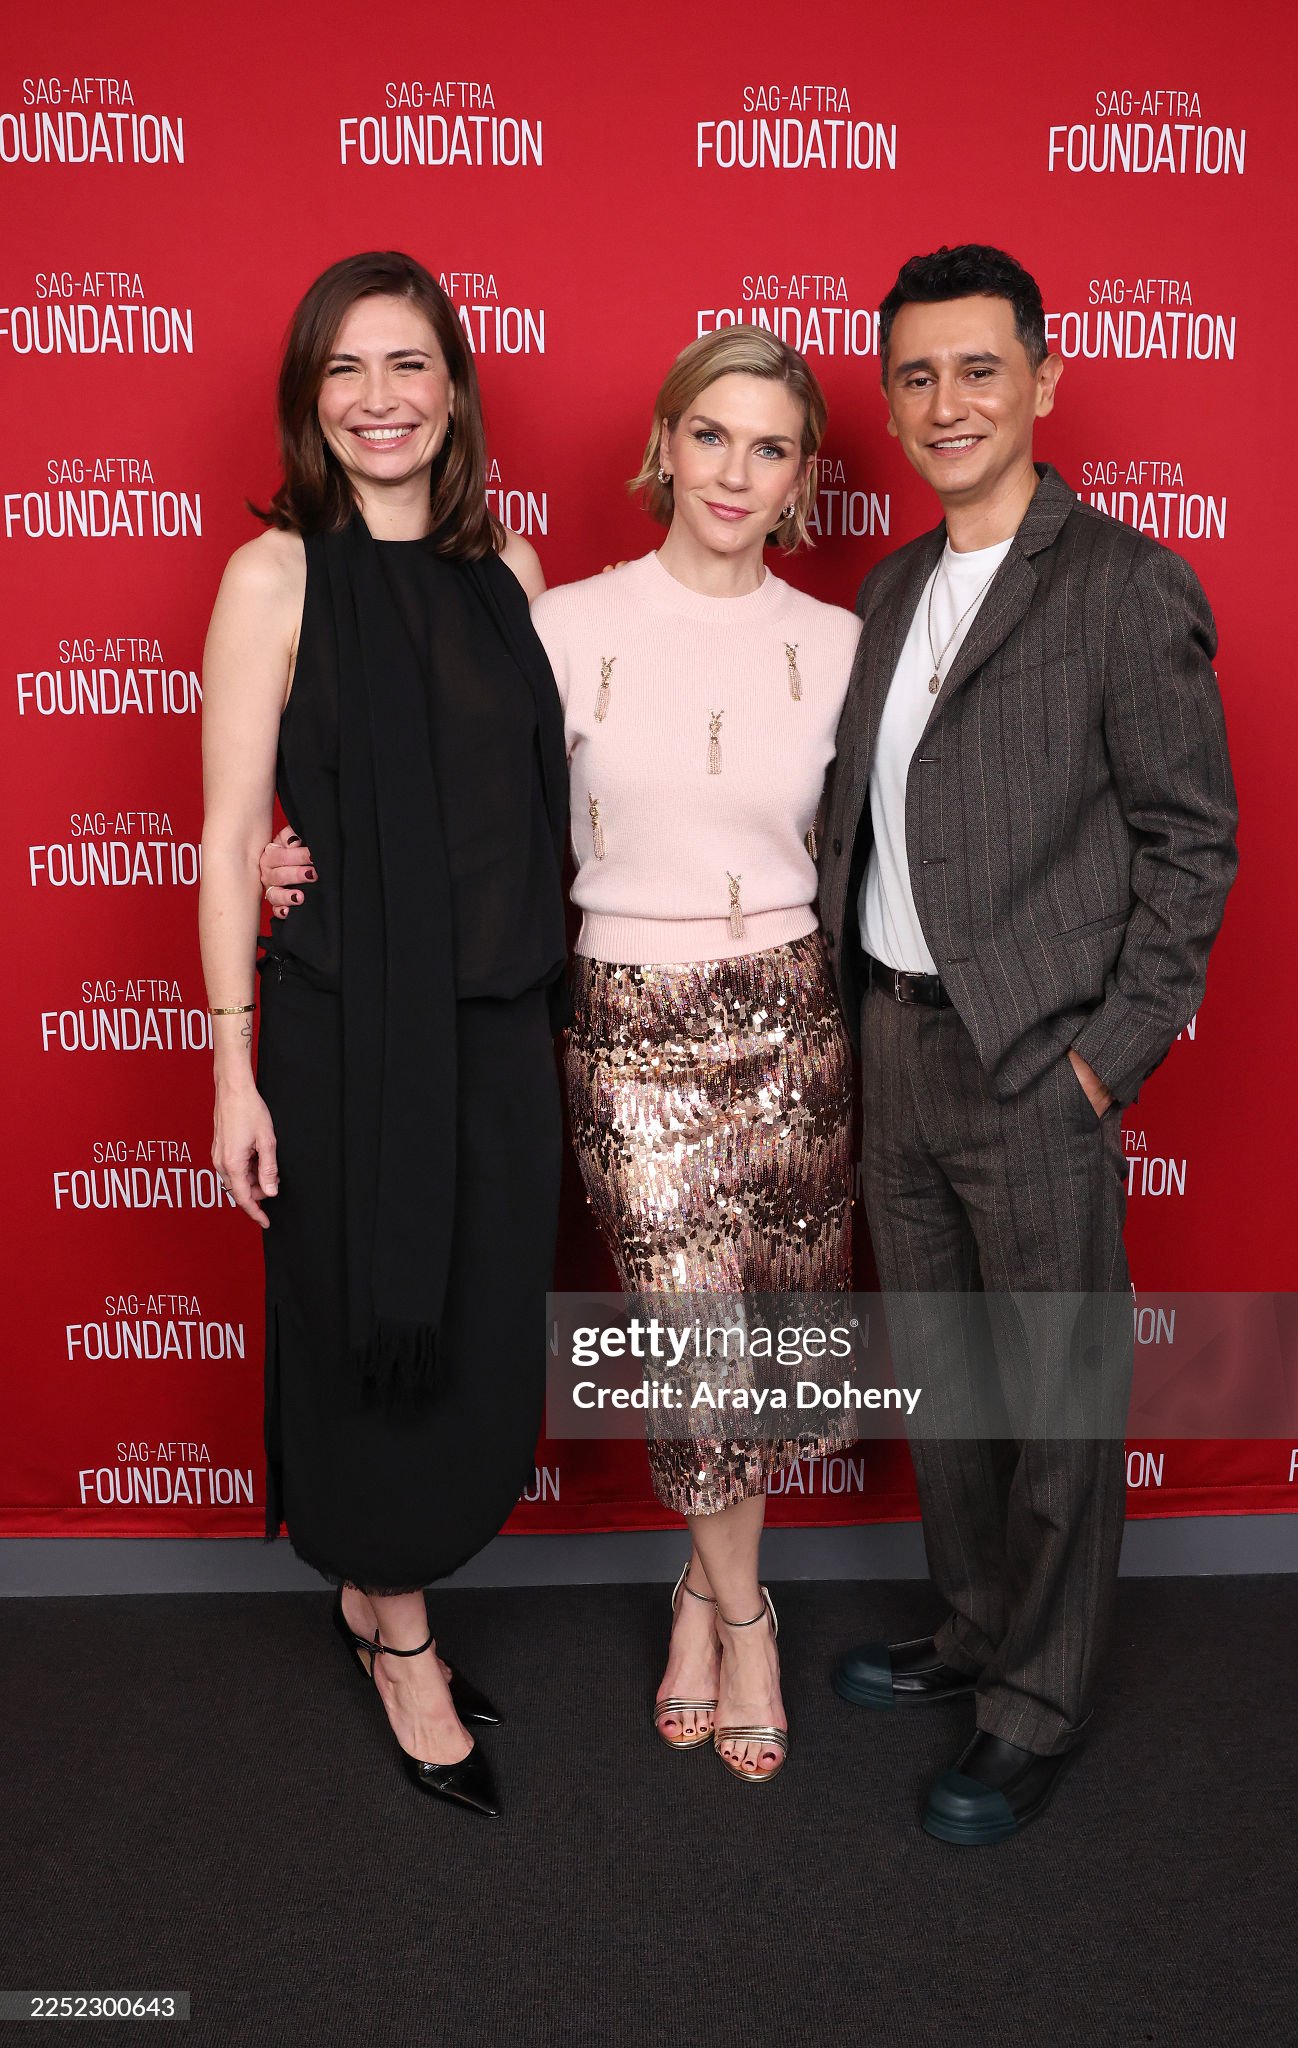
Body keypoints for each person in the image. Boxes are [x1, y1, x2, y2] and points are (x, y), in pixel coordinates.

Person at [266, 325, 862, 1784]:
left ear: (802, 480)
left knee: (767, 1352)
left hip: (792, 1014)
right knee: (694, 1344)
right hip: (624, 1017)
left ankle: (699, 1594)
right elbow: (436, 778)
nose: (734, 471)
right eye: (709, 435)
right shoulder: (558, 616)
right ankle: (750, 1623)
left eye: (770, 447)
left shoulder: (845, 646)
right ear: (663, 444)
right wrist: (305, 855)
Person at [818, 244, 1238, 1843]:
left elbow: (1191, 845)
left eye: (978, 368)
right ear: (889, 403)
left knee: (1057, 1396)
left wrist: (1100, 1061)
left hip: (1032, 1063)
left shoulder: (1122, 584)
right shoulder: (886, 592)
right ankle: (976, 1629)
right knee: (947, 1381)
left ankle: (1036, 1702)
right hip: (895, 1047)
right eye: (916, 375)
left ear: (1043, 381)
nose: (947, 402)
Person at [199, 250, 567, 1817]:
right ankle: (401, 1642)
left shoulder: (514, 573)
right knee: (366, 1335)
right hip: (345, 1043)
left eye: (407, 363)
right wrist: (232, 1068)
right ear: (310, 399)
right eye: (344, 369)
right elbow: (231, 837)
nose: (378, 397)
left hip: (497, 1035)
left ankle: (380, 1592)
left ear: (453, 390)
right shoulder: (272, 576)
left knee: (471, 1335)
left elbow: (538, 810)